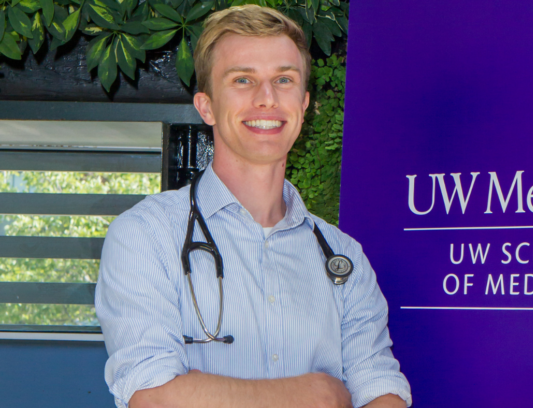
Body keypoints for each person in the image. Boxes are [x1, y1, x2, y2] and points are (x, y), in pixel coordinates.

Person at [94, 5, 411, 408]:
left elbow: (379, 385)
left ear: (305, 103)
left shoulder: (343, 257)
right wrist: (314, 394)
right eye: (243, 79)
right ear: (206, 106)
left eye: (284, 79)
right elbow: (153, 398)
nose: (267, 99)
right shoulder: (145, 236)